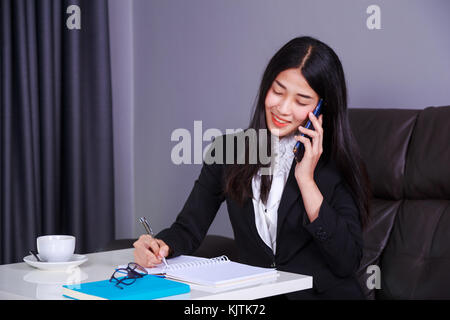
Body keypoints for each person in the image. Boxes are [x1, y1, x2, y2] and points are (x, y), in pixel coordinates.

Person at [133, 36, 371, 299]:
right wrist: (160, 245)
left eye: (301, 101)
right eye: (278, 91)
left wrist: (307, 181)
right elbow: (188, 228)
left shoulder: (335, 163)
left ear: (321, 107)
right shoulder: (228, 150)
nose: (282, 108)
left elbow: (346, 261)